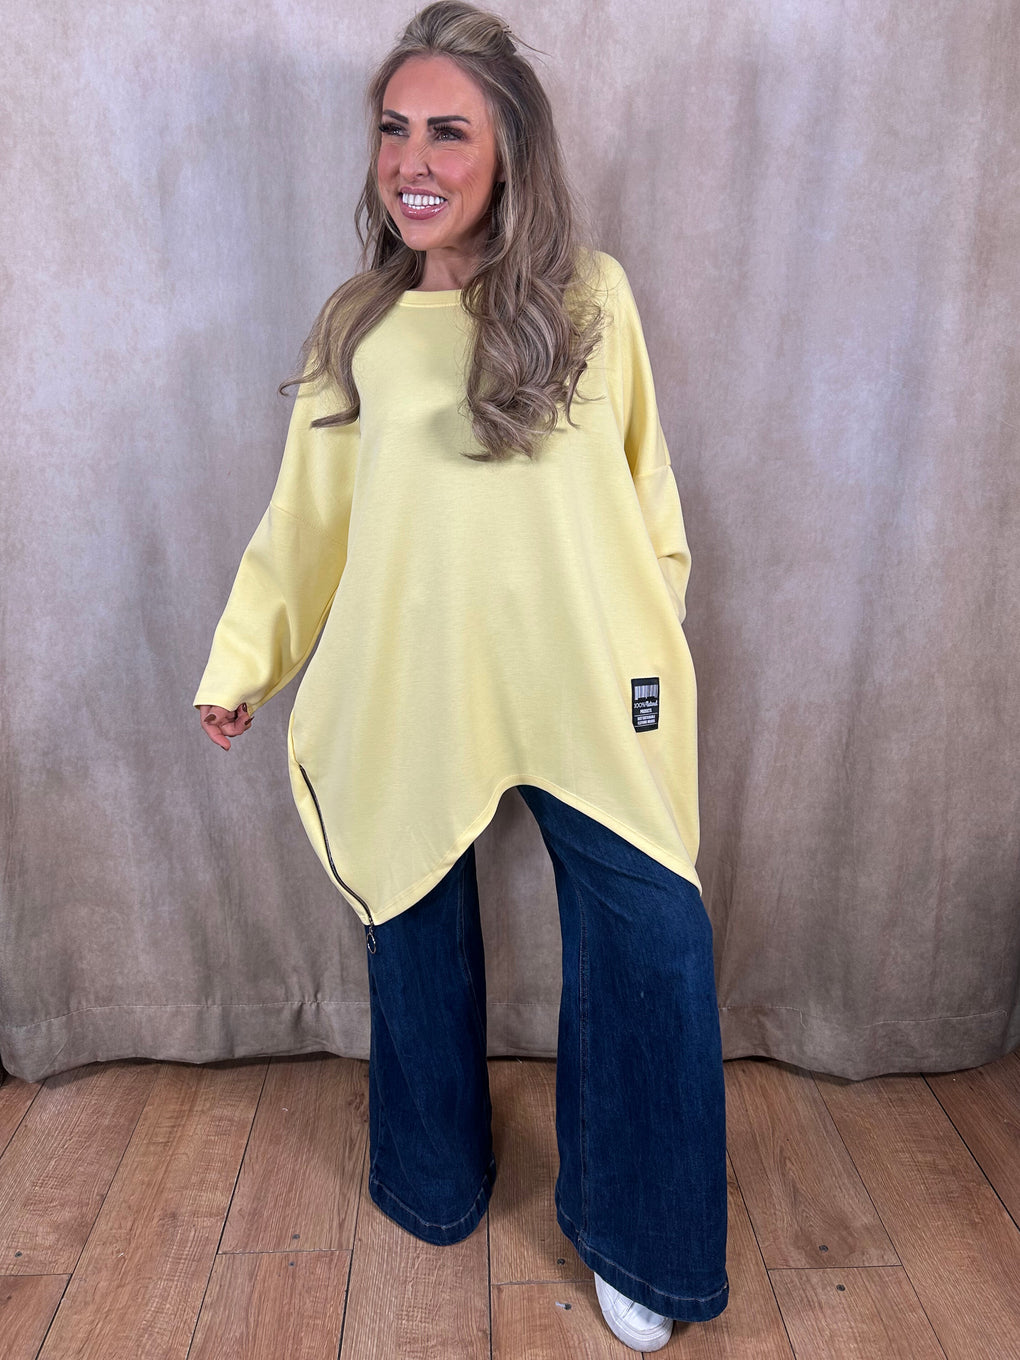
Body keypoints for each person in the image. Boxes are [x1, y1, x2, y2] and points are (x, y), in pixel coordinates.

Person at [195, 2, 728, 1349]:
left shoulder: (591, 297)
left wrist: (650, 629)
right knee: (413, 909)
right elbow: (306, 524)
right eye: (394, 129)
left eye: (448, 130)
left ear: (508, 151)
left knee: (652, 935)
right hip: (413, 683)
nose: (413, 160)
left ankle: (643, 1241)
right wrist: (246, 659)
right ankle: (434, 1175)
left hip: (586, 680)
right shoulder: (359, 326)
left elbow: (647, 488)